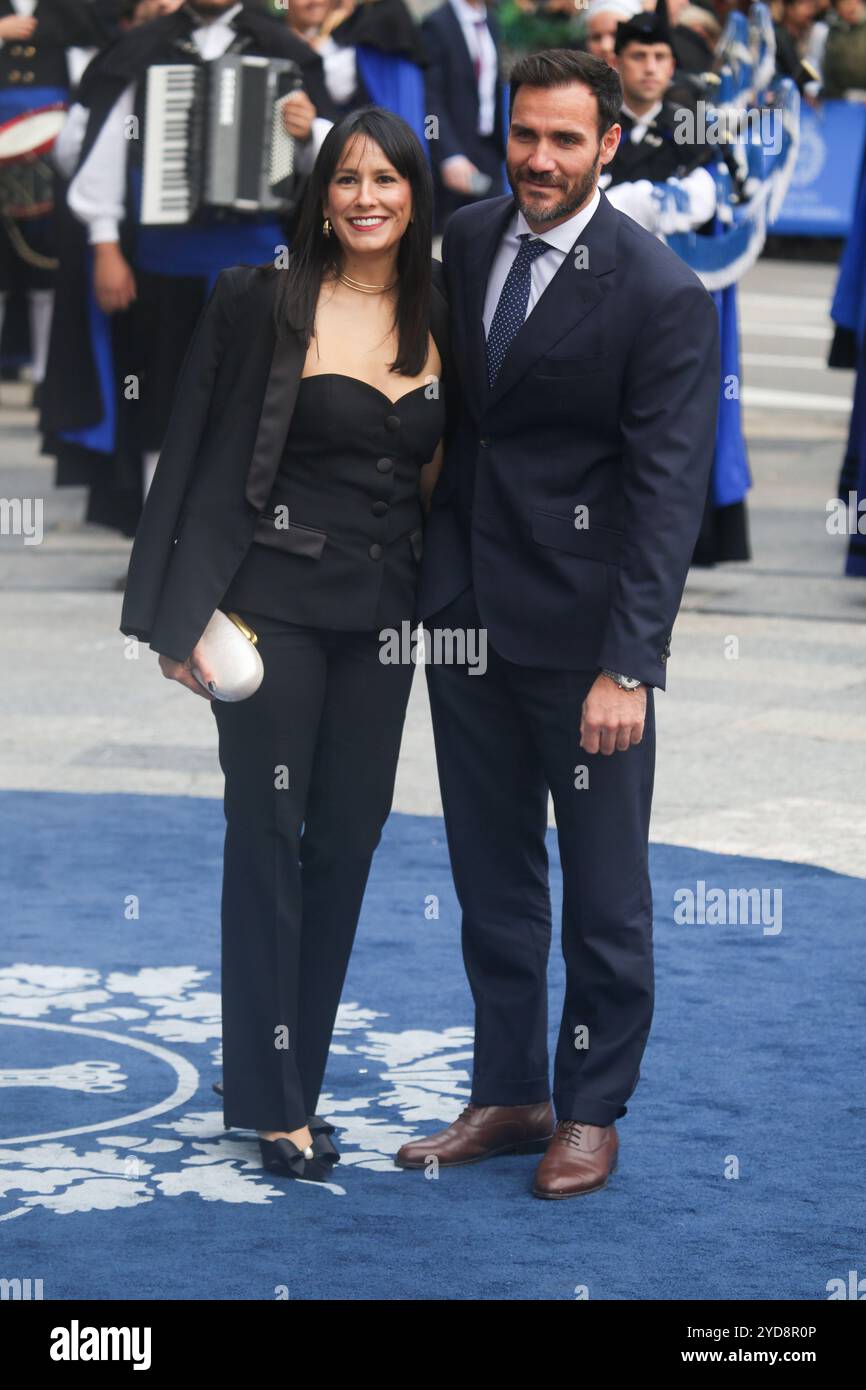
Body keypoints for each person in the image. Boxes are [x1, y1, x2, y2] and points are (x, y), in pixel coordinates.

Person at [396, 48, 720, 1199]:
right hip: (465, 623)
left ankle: (587, 1108)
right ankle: (506, 1093)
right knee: (490, 877)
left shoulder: (660, 294)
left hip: (585, 646)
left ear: (607, 145)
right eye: (524, 135)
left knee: (602, 893)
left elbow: (666, 493)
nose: (539, 159)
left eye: (564, 141)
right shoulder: (468, 238)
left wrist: (627, 666)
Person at [118, 106, 447, 1181]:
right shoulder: (257, 303)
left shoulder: (445, 314)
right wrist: (170, 616)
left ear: (412, 196)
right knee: (265, 840)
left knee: (343, 849)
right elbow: (189, 456)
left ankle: (285, 1072)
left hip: (385, 625)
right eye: (346, 179)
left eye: (385, 181)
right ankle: (273, 1103)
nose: (365, 198)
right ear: (319, 194)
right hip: (270, 612)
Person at [41, 0, 336, 538]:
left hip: (258, 257)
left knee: (258, 403)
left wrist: (308, 131)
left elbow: (340, 161)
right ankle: (161, 540)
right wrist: (106, 246)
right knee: (161, 403)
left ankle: (244, 540)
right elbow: (103, 156)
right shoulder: (145, 48)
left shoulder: (285, 50)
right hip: (164, 258)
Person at [422, 0, 506, 232]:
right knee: (458, 236)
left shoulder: (490, 19)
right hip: (456, 153)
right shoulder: (437, 24)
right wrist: (449, 154)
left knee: (495, 229)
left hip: (489, 147)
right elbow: (431, 97)